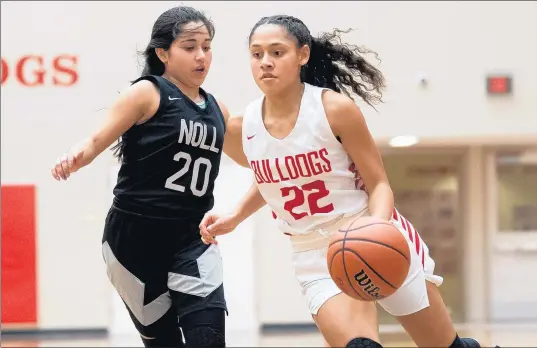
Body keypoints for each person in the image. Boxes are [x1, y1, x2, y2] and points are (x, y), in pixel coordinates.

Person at [199, 15, 496, 348]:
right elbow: (272, 181)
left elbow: (379, 184)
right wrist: (236, 216)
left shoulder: (334, 110)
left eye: (277, 52)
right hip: (314, 255)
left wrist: (373, 230)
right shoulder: (243, 127)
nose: (265, 62)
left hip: (372, 232)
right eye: (257, 54)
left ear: (303, 55)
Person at [51, 6, 247, 348]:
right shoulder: (148, 93)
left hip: (191, 240)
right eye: (189, 47)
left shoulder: (219, 109)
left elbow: (254, 161)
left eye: (207, 46)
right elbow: (97, 141)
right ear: (163, 52)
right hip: (132, 242)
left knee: (209, 340)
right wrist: (73, 158)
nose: (201, 56)